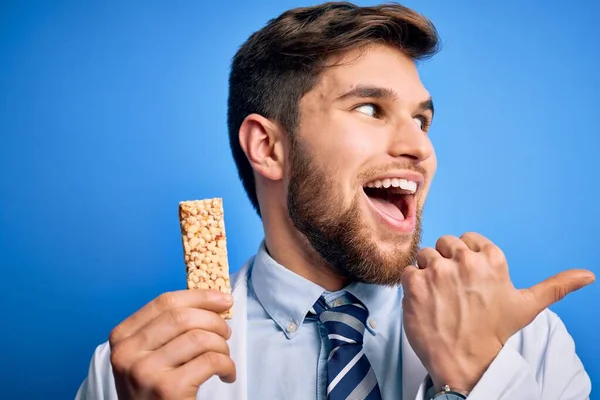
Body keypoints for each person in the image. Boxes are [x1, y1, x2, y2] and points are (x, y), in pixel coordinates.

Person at [75, 2, 595, 399]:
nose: (420, 146)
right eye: (370, 109)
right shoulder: (138, 372)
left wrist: (480, 375)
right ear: (269, 147)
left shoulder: (522, 345)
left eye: (421, 119)